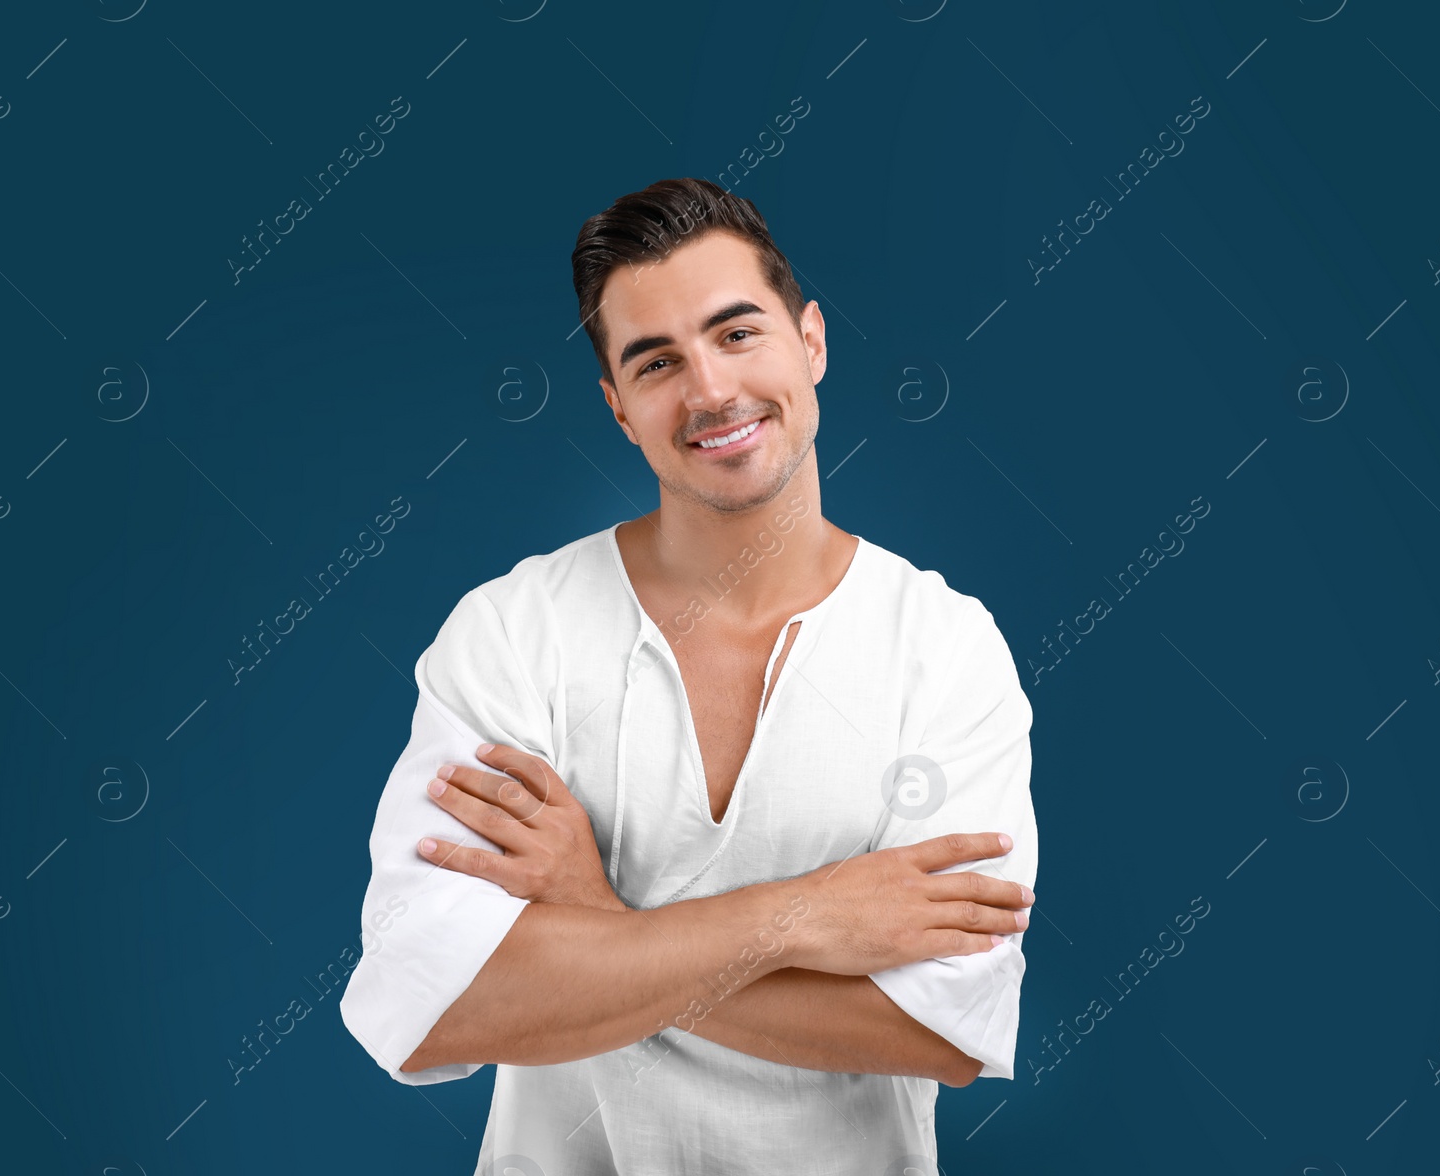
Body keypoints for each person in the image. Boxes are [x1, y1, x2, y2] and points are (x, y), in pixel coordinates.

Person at [339, 177, 1038, 1175]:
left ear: (813, 343)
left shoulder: (945, 650)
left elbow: (940, 1033)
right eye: (656, 361)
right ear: (619, 408)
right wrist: (802, 918)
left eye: (736, 333)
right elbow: (431, 1006)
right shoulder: (511, 635)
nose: (708, 391)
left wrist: (596, 925)